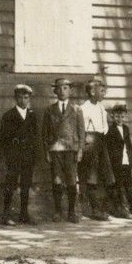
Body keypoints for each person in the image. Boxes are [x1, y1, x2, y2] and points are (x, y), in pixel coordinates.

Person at [0, 83, 39, 225]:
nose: (23, 101)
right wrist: (7, 155)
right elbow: (2, 138)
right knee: (11, 185)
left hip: (28, 156)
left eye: (26, 97)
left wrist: (35, 155)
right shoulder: (9, 115)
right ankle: (6, 215)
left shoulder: (32, 116)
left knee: (26, 185)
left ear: (29, 99)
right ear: (15, 98)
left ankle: (24, 214)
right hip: (14, 156)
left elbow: (36, 137)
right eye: (20, 97)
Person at [43, 78, 86, 222]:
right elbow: (45, 133)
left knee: (71, 181)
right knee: (56, 180)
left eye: (66, 88)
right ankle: (57, 211)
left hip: (71, 150)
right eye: (59, 88)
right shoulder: (49, 110)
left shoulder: (76, 109)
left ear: (70, 90)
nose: (62, 91)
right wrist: (47, 151)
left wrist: (80, 150)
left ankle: (71, 212)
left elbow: (81, 132)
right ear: (55, 91)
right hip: (55, 150)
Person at [76, 79, 113, 221]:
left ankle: (103, 208)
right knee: (92, 176)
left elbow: (105, 126)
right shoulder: (84, 109)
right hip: (90, 142)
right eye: (102, 91)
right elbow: (82, 129)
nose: (104, 93)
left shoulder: (101, 108)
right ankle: (95, 209)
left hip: (101, 142)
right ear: (92, 92)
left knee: (104, 175)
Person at [105, 103, 132, 218]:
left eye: (122, 116)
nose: (119, 119)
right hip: (117, 162)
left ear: (125, 116)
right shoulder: (110, 130)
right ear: (112, 116)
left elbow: (128, 145)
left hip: (126, 160)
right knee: (119, 186)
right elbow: (110, 148)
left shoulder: (126, 128)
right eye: (117, 116)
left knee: (129, 185)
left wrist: (131, 159)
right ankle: (122, 209)